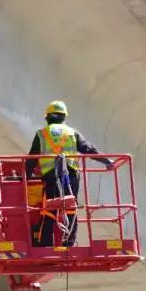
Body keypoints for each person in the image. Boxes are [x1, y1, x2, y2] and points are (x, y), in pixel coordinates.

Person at [26, 100, 112, 247]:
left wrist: (24, 178)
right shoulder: (72, 133)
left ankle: (45, 242)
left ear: (47, 118)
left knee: (50, 208)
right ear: (64, 117)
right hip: (70, 177)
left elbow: (31, 159)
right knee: (70, 206)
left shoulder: (41, 134)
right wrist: (107, 161)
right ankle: (68, 241)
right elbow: (89, 149)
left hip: (51, 178)